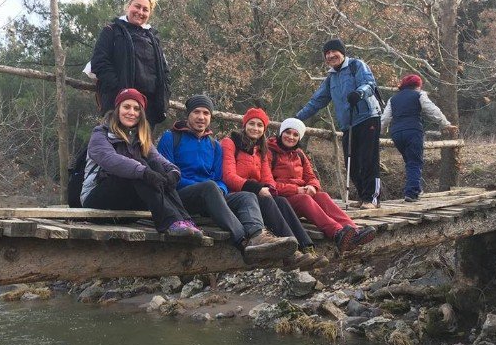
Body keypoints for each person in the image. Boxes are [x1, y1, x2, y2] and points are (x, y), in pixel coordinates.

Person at [157, 95, 299, 264]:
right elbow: (167, 176)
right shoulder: (171, 138)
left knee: (247, 196)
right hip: (181, 197)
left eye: (206, 113)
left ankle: (258, 235)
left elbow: (220, 178)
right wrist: (206, 187)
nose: (201, 117)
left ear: (210, 117)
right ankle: (242, 242)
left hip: (212, 196)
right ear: (188, 115)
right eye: (196, 112)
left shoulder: (214, 145)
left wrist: (220, 190)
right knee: (209, 186)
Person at [80, 88, 202, 238]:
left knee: (155, 167)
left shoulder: (141, 138)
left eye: (136, 109)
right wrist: (144, 172)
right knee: (137, 168)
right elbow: (111, 160)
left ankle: (184, 220)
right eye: (126, 107)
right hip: (97, 197)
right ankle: (169, 222)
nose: (131, 112)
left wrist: (173, 173)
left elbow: (160, 161)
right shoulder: (100, 134)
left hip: (129, 200)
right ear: (118, 109)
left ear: (141, 114)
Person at [221, 108, 328, 270]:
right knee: (267, 199)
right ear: (244, 125)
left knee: (281, 201)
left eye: (259, 125)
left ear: (264, 129)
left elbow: (267, 177)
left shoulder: (261, 148)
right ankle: (292, 255)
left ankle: (305, 247)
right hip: (237, 196)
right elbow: (228, 176)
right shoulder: (230, 143)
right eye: (251, 124)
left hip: (255, 195)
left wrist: (270, 188)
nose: (255, 128)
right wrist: (258, 188)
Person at [296, 38, 382, 209]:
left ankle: (371, 198)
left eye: (333, 51)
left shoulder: (356, 65)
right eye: (327, 53)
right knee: (353, 161)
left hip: (368, 117)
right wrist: (297, 118)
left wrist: (359, 93)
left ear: (342, 52)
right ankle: (363, 195)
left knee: (368, 158)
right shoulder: (331, 78)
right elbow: (317, 101)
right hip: (348, 124)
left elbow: (369, 84)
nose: (330, 55)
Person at [268, 118, 376, 251]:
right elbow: (268, 183)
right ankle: (337, 233)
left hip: (301, 194)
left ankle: (354, 231)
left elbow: (311, 176)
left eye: (295, 135)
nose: (291, 137)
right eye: (288, 133)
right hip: (282, 200)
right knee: (305, 199)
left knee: (322, 196)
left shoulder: (299, 154)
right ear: (281, 133)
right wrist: (297, 190)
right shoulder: (269, 152)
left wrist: (312, 186)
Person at [88, 0, 170, 127]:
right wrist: (120, 90)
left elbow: (164, 71)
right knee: (116, 145)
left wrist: (163, 97)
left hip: (148, 108)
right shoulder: (111, 30)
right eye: (137, 6)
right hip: (119, 103)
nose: (140, 12)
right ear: (128, 6)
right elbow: (99, 62)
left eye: (145, 9)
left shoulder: (154, 39)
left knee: (142, 147)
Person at [381, 74, 457, 202]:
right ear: (418, 86)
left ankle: (417, 188)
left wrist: (381, 131)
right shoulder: (419, 95)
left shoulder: (392, 99)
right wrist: (445, 124)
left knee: (410, 161)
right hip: (413, 131)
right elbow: (432, 110)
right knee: (415, 162)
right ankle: (411, 193)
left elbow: (385, 118)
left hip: (396, 133)